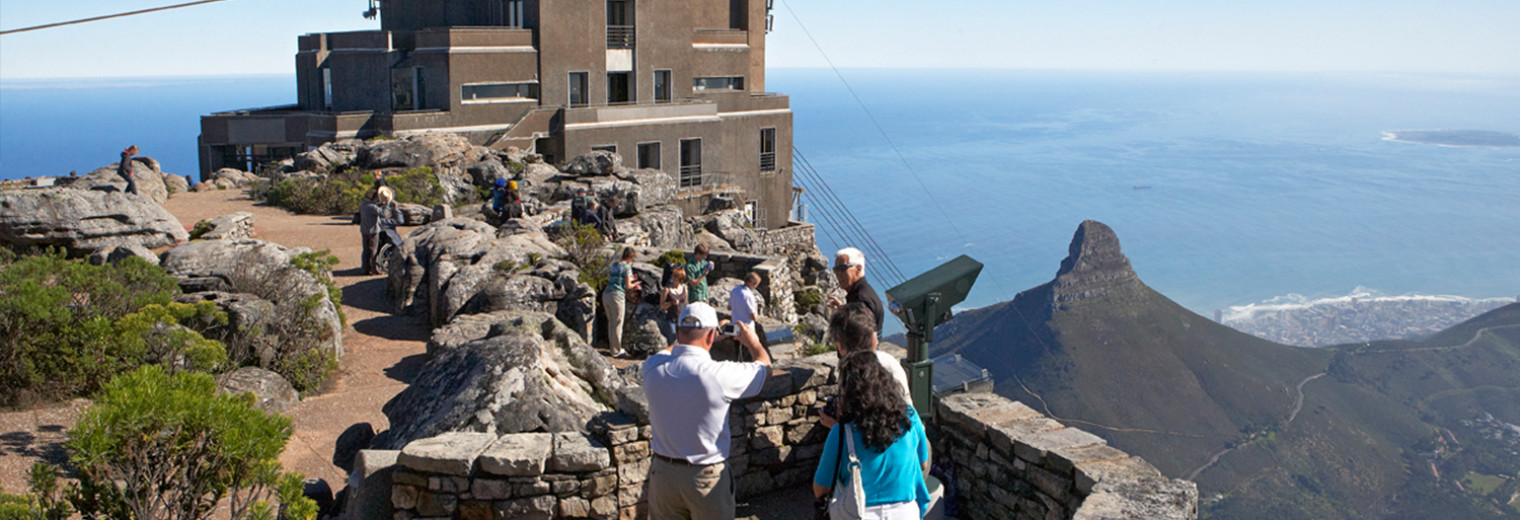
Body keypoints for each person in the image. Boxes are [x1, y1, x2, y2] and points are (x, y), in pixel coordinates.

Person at [642, 303, 771, 520]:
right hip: (705, 477)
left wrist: (701, 337)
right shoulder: (719, 375)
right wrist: (753, 342)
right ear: (711, 336)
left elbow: (670, 350)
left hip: (663, 474)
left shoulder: (652, 367)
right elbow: (765, 367)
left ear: (677, 331)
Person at [812, 351, 931, 520]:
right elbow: (923, 463)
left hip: (857, 513)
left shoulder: (840, 434)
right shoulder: (910, 419)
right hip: (906, 513)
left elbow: (820, 488)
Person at [819, 303, 910, 429]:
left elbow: (871, 433)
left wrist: (835, 427)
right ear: (874, 339)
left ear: (840, 346)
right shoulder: (889, 362)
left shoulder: (855, 374)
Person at [828, 247, 884, 333]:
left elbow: (861, 338)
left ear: (858, 269)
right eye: (836, 270)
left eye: (843, 268)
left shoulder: (861, 299)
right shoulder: (862, 292)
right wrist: (843, 310)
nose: (838, 274)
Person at [604, 247, 638, 357]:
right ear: (630, 257)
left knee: (611, 323)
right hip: (617, 296)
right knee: (618, 324)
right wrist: (636, 283)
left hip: (607, 294)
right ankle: (617, 351)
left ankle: (612, 348)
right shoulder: (627, 267)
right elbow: (628, 286)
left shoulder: (614, 264)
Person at [359, 186, 399, 275]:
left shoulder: (363, 204)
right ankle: (374, 269)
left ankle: (365, 268)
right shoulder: (372, 207)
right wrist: (387, 204)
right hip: (373, 231)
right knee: (373, 250)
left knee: (365, 250)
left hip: (364, 230)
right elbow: (384, 213)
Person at [657, 265, 689, 346]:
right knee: (672, 341)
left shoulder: (684, 289)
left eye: (675, 278)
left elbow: (685, 303)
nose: (673, 280)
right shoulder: (667, 290)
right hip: (670, 319)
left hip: (681, 319)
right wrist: (671, 303)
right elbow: (662, 305)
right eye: (673, 277)